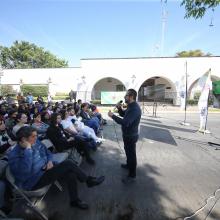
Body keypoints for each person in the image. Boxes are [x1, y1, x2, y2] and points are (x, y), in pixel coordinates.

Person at [8, 126, 105, 210]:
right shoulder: (14, 155)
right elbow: (24, 173)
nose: (36, 138)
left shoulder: (36, 142)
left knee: (70, 173)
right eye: (33, 136)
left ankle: (75, 201)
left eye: (36, 135)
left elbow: (48, 153)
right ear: (23, 139)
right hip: (34, 181)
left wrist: (49, 161)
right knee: (68, 164)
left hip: (47, 169)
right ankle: (88, 180)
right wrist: (28, 150)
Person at [108, 89, 141, 184]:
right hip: (127, 135)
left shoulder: (135, 108)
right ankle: (128, 165)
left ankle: (132, 175)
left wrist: (112, 116)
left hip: (131, 136)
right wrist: (119, 108)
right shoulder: (130, 106)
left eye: (126, 95)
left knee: (131, 155)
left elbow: (126, 122)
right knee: (128, 151)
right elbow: (124, 115)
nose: (124, 97)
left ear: (131, 97)